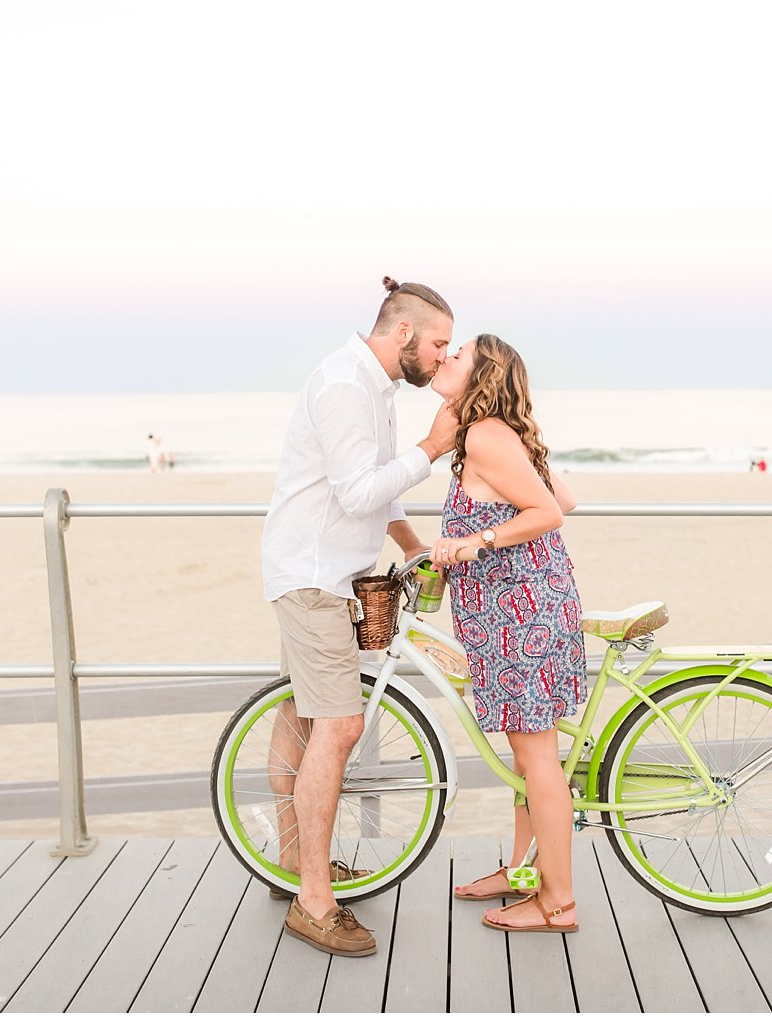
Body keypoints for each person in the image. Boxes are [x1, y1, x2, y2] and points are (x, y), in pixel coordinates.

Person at [262, 276, 458, 958]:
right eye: (438, 343)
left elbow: (377, 489)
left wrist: (413, 546)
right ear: (404, 332)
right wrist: (431, 450)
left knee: (305, 719)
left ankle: (293, 866)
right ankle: (314, 902)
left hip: (326, 574)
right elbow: (355, 493)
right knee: (340, 726)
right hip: (315, 577)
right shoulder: (347, 385)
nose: (441, 357)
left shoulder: (370, 385)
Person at [431, 334, 584, 935]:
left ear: (484, 376)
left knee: (538, 758)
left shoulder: (484, 436)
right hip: (515, 611)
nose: (443, 358)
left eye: (457, 354)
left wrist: (475, 541)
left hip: (521, 616)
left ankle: (559, 904)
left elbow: (546, 512)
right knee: (528, 756)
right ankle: (524, 870)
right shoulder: (492, 434)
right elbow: (564, 497)